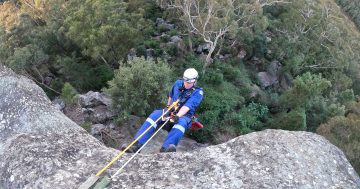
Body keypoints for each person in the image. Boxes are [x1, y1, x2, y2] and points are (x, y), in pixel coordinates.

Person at [123, 68, 203, 153]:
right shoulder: (178, 83)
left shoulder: (198, 93)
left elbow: (187, 107)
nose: (186, 84)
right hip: (171, 111)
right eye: (185, 81)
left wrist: (177, 116)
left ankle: (166, 148)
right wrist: (168, 108)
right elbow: (171, 96)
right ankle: (136, 145)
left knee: (181, 124)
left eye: (189, 83)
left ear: (194, 81)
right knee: (154, 116)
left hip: (184, 115)